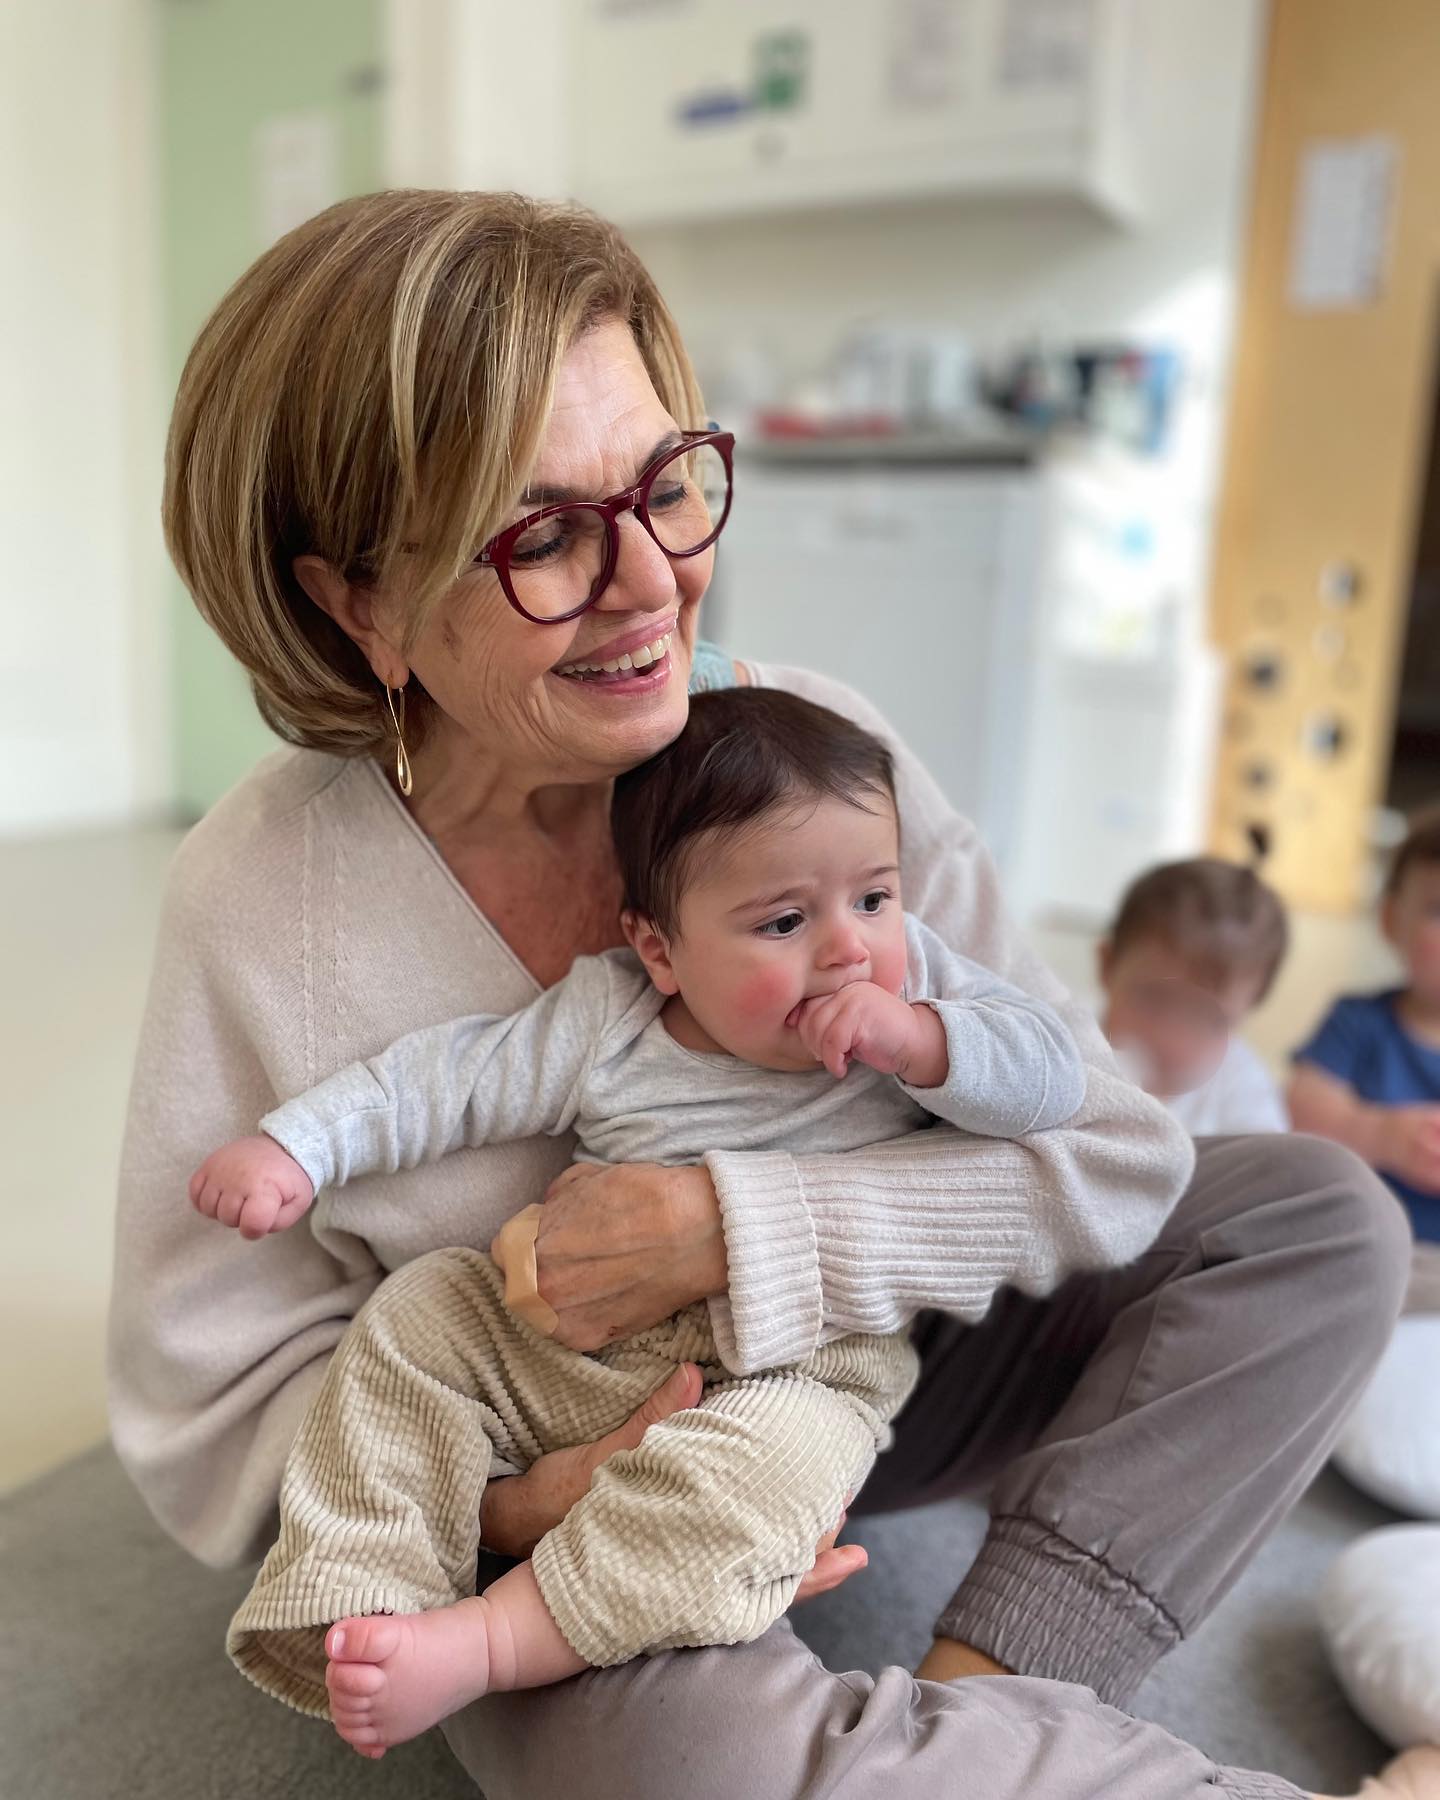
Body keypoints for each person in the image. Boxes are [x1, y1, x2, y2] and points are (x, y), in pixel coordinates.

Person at [110, 189, 1413, 1800]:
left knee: (1316, 1219)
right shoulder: (264, 902)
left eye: (667, 487)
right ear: (356, 603)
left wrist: (744, 1232)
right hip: (565, 1496)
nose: (652, 583)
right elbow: (215, 1407)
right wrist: (522, 1506)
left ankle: (973, 1705)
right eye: (543, 537)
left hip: (874, 1371)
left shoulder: (813, 759)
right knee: (674, 1762)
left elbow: (1113, 1150)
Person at [198, 687, 1088, 1751]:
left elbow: (1055, 1080)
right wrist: (298, 1146)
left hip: (791, 1366)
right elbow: (449, 1080)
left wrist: (928, 1043)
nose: (849, 950)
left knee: (768, 1472)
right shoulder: (611, 1016)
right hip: (573, 1348)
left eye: (875, 898)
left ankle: (496, 1640)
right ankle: (367, 1589)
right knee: (420, 1312)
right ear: (660, 949)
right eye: (786, 922)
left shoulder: (923, 995)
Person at [1289, 813, 1440, 1312]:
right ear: (1391, 920)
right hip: (1364, 1243)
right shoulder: (1357, 1021)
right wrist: (1380, 1135)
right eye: (1438, 910)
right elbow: (1302, 1109)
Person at [1098, 858, 1290, 1135]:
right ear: (1106, 966)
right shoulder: (1066, 1050)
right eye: (1153, 999)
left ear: (1253, 1004)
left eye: (1209, 1019)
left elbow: (1265, 1159)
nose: (1170, 1040)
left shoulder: (1242, 1087)